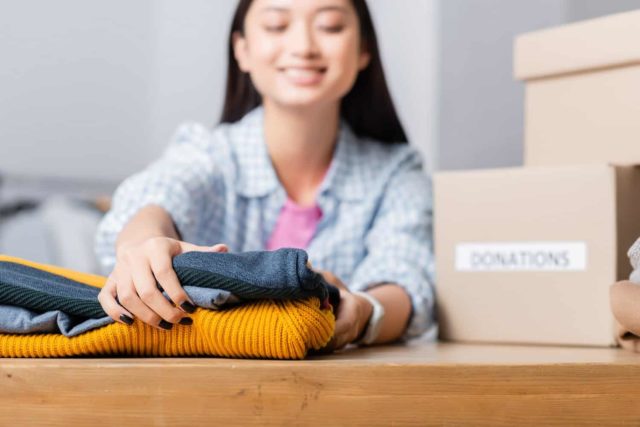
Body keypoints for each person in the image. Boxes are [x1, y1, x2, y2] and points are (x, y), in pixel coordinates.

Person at [94, 0, 435, 350]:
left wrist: (362, 312)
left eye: (330, 26)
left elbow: (406, 276)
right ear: (242, 50)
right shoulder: (209, 154)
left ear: (364, 50)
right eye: (276, 26)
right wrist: (143, 244)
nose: (303, 47)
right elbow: (160, 193)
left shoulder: (397, 173)